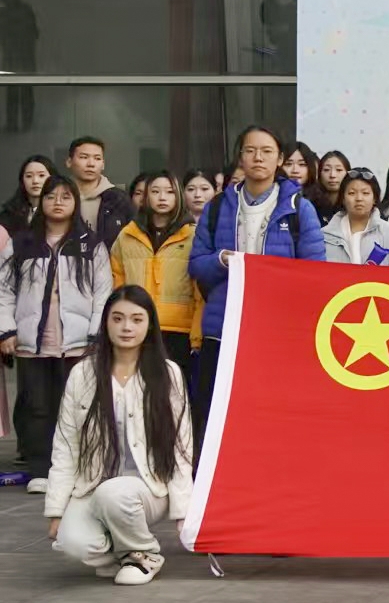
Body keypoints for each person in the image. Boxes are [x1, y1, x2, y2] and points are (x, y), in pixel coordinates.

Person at [43, 286, 195, 586]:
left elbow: (181, 446)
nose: (127, 327)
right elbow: (66, 446)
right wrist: (56, 510)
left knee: (114, 493)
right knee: (72, 543)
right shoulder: (82, 374)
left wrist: (183, 512)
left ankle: (145, 554)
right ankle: (126, 556)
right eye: (118, 318)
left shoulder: (168, 373)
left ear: (149, 325)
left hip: (148, 489)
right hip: (93, 484)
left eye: (137, 319)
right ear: (106, 323)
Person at [187, 127, 324, 448]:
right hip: (223, 329)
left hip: (277, 332)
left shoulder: (299, 208)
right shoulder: (218, 207)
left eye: (266, 151)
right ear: (241, 157)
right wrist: (221, 260)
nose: (258, 157)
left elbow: (315, 273)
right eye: (250, 150)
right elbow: (196, 265)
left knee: (273, 414)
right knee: (216, 414)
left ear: (280, 159)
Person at [1, 174, 112, 493]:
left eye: (66, 196)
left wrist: (96, 335)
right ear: (41, 202)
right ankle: (41, 470)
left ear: (75, 202)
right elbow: (4, 291)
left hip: (78, 344)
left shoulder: (90, 244)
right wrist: (6, 330)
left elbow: (103, 294)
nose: (58, 202)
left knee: (76, 407)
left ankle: (76, 468)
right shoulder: (21, 243)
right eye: (51, 196)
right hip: (32, 343)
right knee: (36, 407)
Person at [109, 172, 198, 379]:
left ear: (178, 196)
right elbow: (117, 282)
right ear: (145, 196)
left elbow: (199, 290)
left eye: (169, 192)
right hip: (137, 325)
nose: (162, 197)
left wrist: (197, 334)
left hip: (179, 329)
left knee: (174, 387)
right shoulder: (127, 235)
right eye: (155, 192)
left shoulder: (193, 235)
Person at [322, 167, 389, 266]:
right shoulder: (325, 236)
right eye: (352, 193)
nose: (359, 198)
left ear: (374, 198)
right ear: (343, 199)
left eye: (365, 193)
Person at [67, 138, 133, 248]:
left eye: (97, 158)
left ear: (103, 164)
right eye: (84, 157)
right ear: (69, 162)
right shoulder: (59, 197)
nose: (91, 164)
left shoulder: (118, 199)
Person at [2, 154, 54, 236]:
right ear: (22, 180)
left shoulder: (59, 210)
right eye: (29, 176)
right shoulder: (10, 213)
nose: (35, 181)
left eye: (41, 175)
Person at [307, 151, 349, 225]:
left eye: (339, 170)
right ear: (319, 174)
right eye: (326, 170)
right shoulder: (309, 204)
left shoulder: (353, 205)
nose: (332, 175)